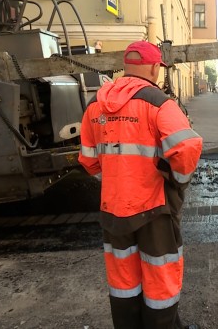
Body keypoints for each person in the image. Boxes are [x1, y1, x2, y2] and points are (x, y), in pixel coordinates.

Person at [78, 41, 203, 329]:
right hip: (154, 208)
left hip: (113, 210)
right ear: (153, 67)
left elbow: (87, 159)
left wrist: (113, 180)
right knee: (160, 277)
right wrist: (178, 182)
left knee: (124, 280)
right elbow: (187, 146)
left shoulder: (95, 104)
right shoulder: (158, 103)